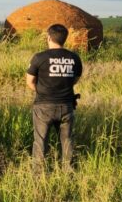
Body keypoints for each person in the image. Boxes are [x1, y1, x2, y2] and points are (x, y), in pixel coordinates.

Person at [26, 23, 83, 173]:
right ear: (65, 38)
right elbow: (75, 79)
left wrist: (44, 92)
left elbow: (30, 82)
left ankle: (38, 175)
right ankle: (68, 172)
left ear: (49, 37)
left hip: (43, 106)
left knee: (40, 141)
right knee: (67, 140)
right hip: (67, 105)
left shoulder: (40, 57)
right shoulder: (74, 58)